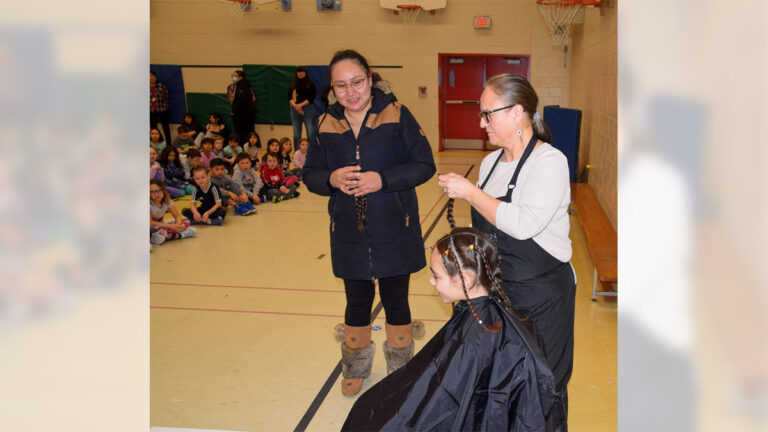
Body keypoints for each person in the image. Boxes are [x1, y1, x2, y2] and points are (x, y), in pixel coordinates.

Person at [437, 73, 576, 416]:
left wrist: (471, 192)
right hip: (500, 292)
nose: (481, 122)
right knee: (506, 381)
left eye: (488, 114)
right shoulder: (490, 163)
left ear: (517, 112)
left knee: (544, 382)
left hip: (543, 296)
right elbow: (482, 228)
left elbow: (524, 224)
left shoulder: (549, 162)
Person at [303, 49, 436, 396]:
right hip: (348, 230)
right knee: (356, 301)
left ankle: (401, 372)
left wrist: (383, 179)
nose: (351, 91)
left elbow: (424, 165)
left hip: (395, 225)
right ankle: (356, 367)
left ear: (370, 78)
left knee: (396, 299)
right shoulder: (324, 123)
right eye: (341, 85)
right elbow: (310, 175)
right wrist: (331, 179)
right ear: (332, 88)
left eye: (357, 82)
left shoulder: (397, 114)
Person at [342, 224, 563, 431]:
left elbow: (446, 402)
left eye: (436, 275)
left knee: (372, 416)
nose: (431, 281)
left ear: (465, 279)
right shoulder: (486, 316)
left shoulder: (475, 338)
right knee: (370, 405)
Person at [150, 180, 197, 245]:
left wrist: (178, 224)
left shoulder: (167, 201)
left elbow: (177, 215)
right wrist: (172, 226)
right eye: (152, 192)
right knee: (154, 229)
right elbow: (150, 222)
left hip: (162, 226)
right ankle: (181, 235)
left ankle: (166, 235)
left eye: (159, 190)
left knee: (186, 222)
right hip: (152, 227)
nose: (157, 194)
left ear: (163, 190)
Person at [288, 66, 317, 150]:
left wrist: (300, 105)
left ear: (305, 73)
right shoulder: (293, 84)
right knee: (296, 133)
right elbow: (289, 97)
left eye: (302, 72)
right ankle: (297, 152)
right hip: (294, 109)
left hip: (308, 109)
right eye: (299, 72)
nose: (300, 73)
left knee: (310, 132)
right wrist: (296, 106)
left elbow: (312, 97)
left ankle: (311, 151)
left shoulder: (310, 84)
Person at [230, 69, 256, 146]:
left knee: (243, 133)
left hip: (242, 115)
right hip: (246, 114)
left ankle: (244, 147)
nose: (233, 78)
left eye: (235, 76)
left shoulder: (241, 86)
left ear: (240, 77)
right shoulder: (245, 85)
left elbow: (241, 100)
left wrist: (233, 110)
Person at [150, 71, 172, 146]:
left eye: (153, 76)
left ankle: (169, 145)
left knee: (166, 129)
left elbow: (167, 97)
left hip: (162, 110)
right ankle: (154, 145)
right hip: (151, 111)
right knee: (153, 129)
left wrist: (165, 107)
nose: (152, 78)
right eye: (150, 76)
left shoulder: (161, 86)